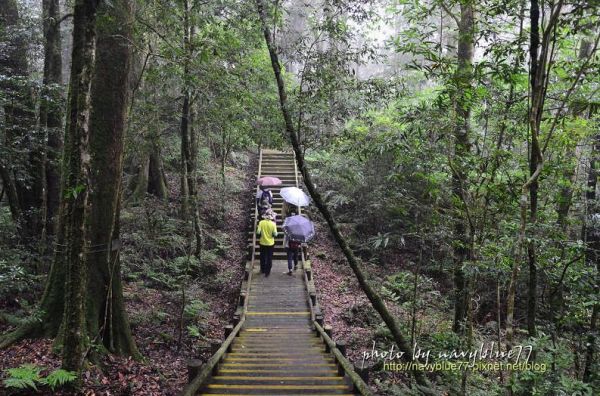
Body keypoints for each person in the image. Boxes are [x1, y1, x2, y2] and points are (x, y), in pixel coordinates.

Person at [256, 209, 278, 277]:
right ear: (271, 216)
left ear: (265, 216)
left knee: (262, 256)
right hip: (270, 243)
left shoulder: (261, 222)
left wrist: (261, 235)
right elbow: (275, 234)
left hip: (262, 242)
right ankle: (267, 272)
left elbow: (258, 232)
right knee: (269, 257)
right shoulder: (273, 224)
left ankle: (262, 269)